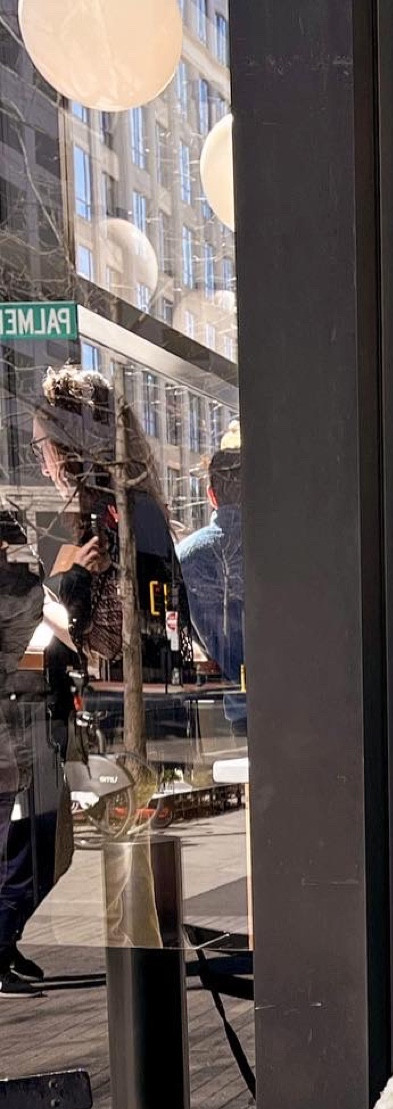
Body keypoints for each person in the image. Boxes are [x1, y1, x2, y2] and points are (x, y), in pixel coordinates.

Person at [31, 361, 194, 715]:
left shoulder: (118, 517)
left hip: (137, 714)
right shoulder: (130, 510)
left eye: (42, 448)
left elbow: (109, 641)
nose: (43, 467)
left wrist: (41, 604)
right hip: (147, 707)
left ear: (70, 449)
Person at [0, 508, 58, 997]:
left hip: (32, 729)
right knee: (22, 850)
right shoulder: (19, 593)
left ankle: (6, 938)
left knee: (40, 849)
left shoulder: (21, 588)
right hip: (14, 737)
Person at [177, 421, 245, 728]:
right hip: (291, 697)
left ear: (211, 496)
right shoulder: (280, 548)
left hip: (233, 703)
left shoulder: (185, 556)